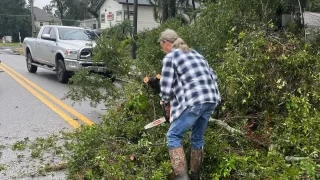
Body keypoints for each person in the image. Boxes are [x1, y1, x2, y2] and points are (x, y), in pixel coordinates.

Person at [158, 29, 220, 180]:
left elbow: (166, 90)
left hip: (194, 101)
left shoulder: (171, 57)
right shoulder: (196, 54)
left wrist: (163, 102)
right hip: (211, 99)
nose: (162, 50)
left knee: (173, 135)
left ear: (165, 43)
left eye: (161, 46)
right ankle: (195, 176)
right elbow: (214, 76)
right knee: (197, 137)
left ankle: (182, 178)